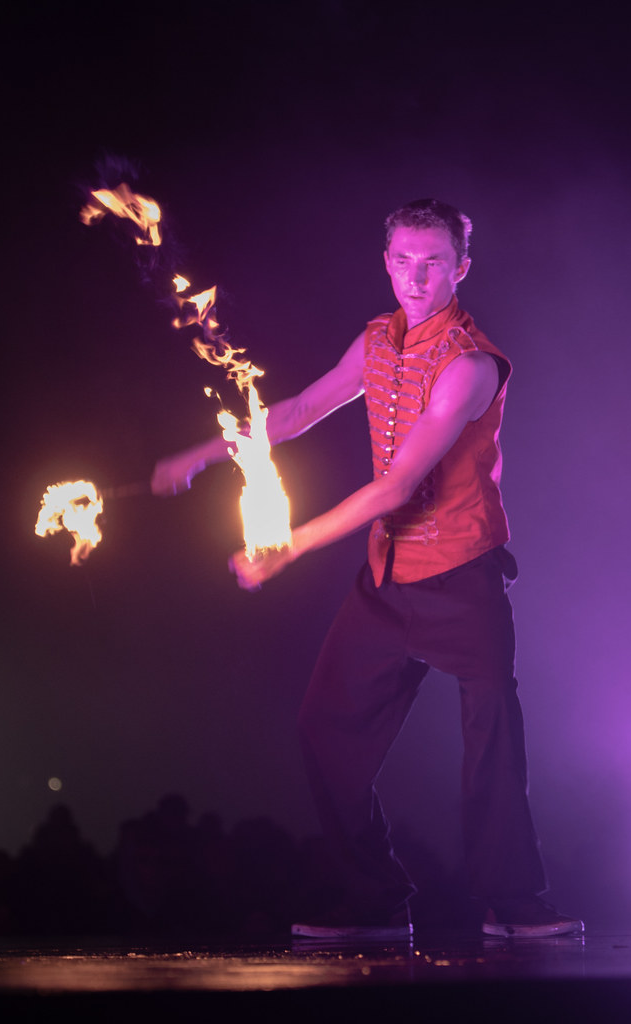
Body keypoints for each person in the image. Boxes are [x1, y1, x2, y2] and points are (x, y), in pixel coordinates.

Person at [151, 199, 582, 940]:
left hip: (460, 577)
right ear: (386, 263)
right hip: (387, 579)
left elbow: (394, 488)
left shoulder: (471, 366)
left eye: (434, 263)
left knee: (492, 741)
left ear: (461, 269)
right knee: (324, 730)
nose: (417, 277)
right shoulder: (375, 340)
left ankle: (515, 905)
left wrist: (289, 548)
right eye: (404, 261)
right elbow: (295, 412)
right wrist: (203, 454)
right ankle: (377, 896)